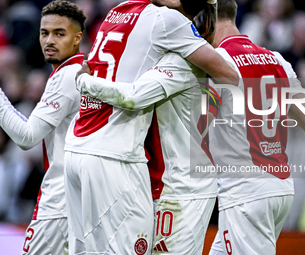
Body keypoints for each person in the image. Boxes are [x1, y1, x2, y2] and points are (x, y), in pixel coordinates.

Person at [64, 0, 237, 254]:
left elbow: (134, 96)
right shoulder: (165, 34)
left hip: (180, 186)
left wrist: (85, 82)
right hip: (150, 173)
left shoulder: (175, 56)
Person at [207, 0, 305, 254]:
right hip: (279, 188)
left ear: (206, 19)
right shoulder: (277, 59)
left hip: (245, 195)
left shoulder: (217, 62)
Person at [0, 1, 85, 254]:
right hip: (80, 197)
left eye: (60, 33)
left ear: (77, 38)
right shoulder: (81, 73)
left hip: (59, 201)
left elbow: (27, 137)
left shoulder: (67, 75)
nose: (49, 40)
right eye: (44, 32)